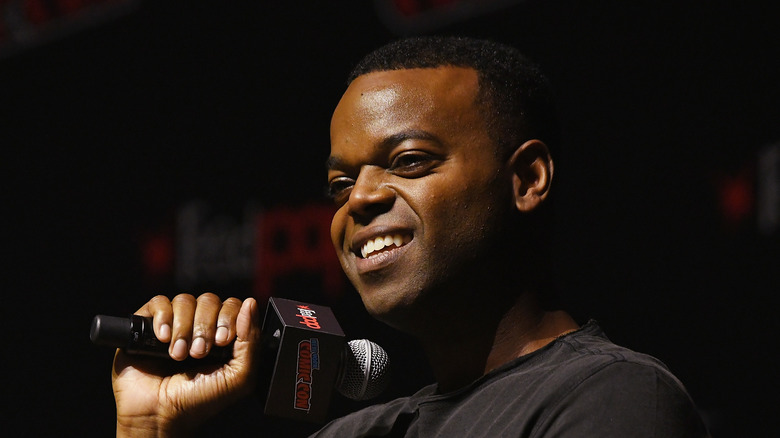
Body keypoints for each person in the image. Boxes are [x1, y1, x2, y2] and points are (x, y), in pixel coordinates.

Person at [111, 36, 710, 437]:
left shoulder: (612, 397)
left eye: (410, 162)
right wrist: (146, 429)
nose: (361, 199)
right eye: (341, 183)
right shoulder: (352, 434)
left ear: (527, 179)